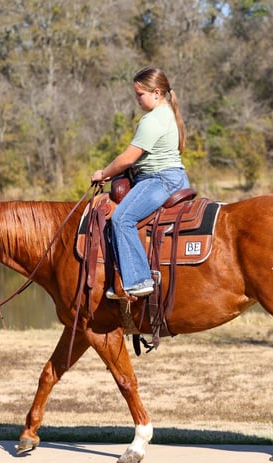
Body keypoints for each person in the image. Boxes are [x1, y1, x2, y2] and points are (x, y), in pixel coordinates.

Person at [91, 66, 190, 299]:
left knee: (121, 218)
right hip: (173, 177)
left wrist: (103, 173)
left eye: (140, 94)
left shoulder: (153, 119)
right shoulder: (167, 113)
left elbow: (128, 158)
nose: (136, 99)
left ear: (156, 92)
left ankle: (138, 280)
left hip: (158, 180)